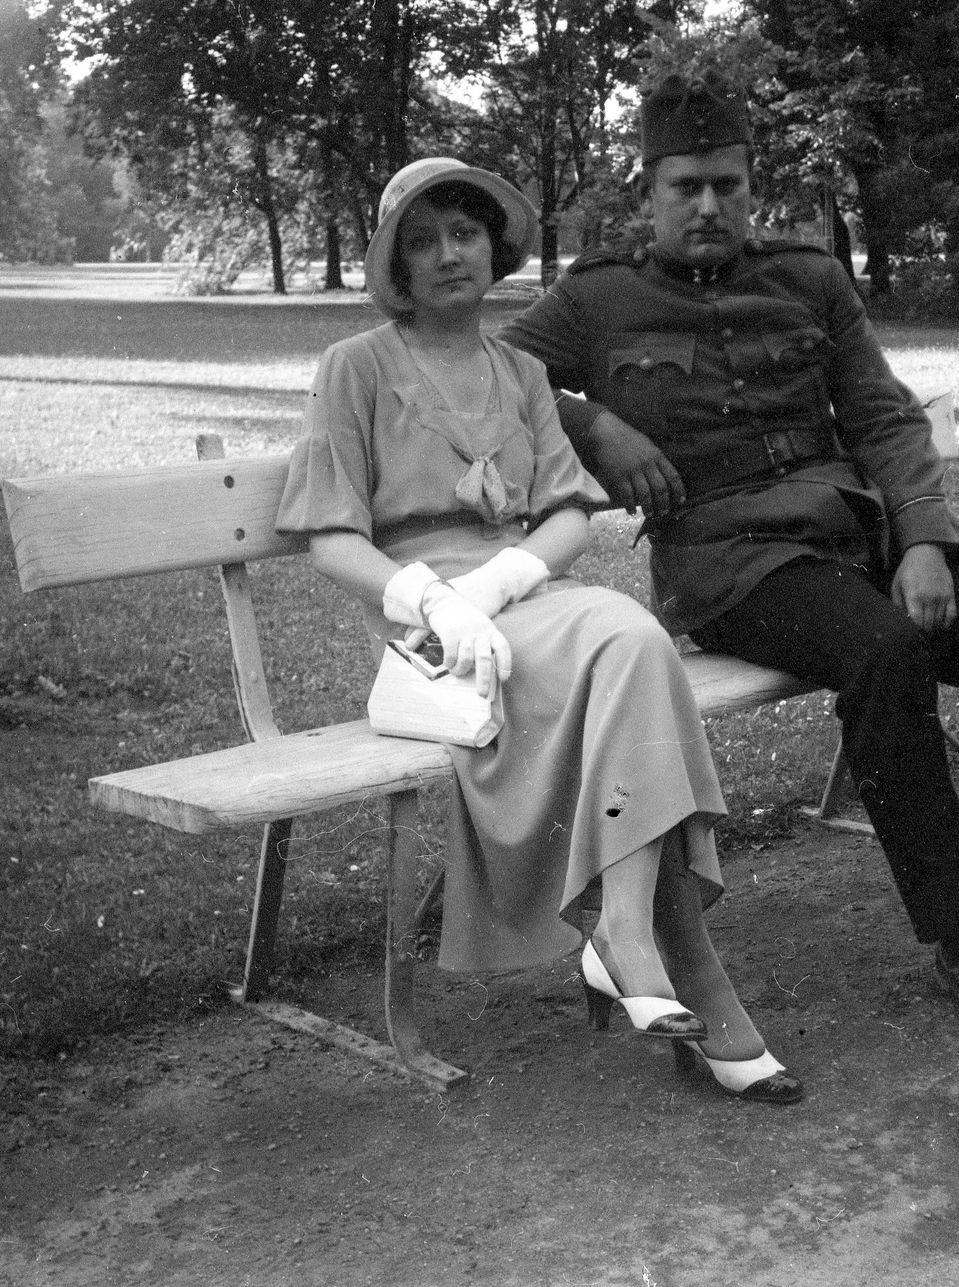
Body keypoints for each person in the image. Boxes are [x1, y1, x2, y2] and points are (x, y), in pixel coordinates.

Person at [498, 71, 959, 1031]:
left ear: (750, 184)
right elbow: (492, 376)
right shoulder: (595, 301)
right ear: (647, 193)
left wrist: (926, 540)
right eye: (685, 187)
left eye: (727, 184)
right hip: (730, 562)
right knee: (885, 654)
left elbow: (885, 418)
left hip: (857, 531)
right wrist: (591, 420)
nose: (709, 205)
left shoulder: (807, 276)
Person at [275, 157, 801, 1103]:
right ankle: (678, 970)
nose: (448, 255)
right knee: (624, 646)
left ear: (496, 247)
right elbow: (329, 538)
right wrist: (438, 600)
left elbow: (566, 513)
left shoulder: (521, 373)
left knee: (627, 633)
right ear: (396, 260)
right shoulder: (353, 368)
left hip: (518, 597)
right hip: (427, 628)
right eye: (424, 240)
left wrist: (506, 574)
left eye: (466, 235)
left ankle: (628, 932)